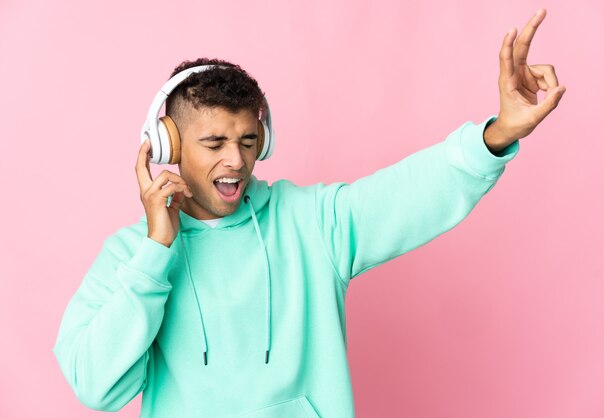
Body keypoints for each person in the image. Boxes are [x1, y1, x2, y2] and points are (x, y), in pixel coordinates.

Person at [53, 9, 565, 418]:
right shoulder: (131, 256)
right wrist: (155, 251)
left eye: (248, 141)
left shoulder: (312, 221)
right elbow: (96, 387)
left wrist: (498, 132)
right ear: (167, 145)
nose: (236, 160)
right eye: (214, 143)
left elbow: (410, 192)